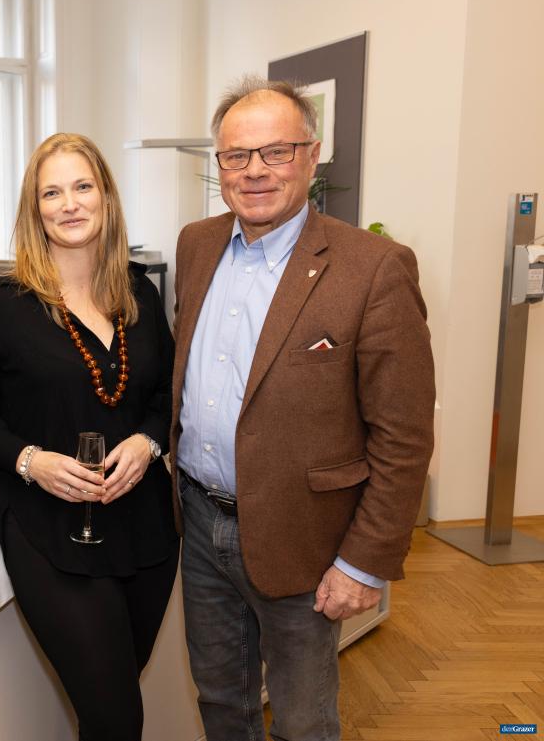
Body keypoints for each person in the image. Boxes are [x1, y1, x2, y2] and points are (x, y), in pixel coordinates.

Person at [170, 76, 435, 741]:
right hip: (200, 523)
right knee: (221, 701)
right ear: (220, 164)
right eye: (237, 155)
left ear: (312, 156)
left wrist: (363, 562)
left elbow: (403, 436)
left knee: (302, 720)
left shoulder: (373, 267)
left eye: (276, 151)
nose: (254, 170)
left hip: (305, 539)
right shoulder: (197, 244)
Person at [0, 132, 179, 740]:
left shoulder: (140, 293)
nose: (70, 204)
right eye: (52, 193)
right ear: (34, 208)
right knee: (116, 716)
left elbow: (166, 397)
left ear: (106, 197)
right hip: (47, 529)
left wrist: (148, 443)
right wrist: (32, 461)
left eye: (83, 187)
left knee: (111, 704)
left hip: (145, 528)